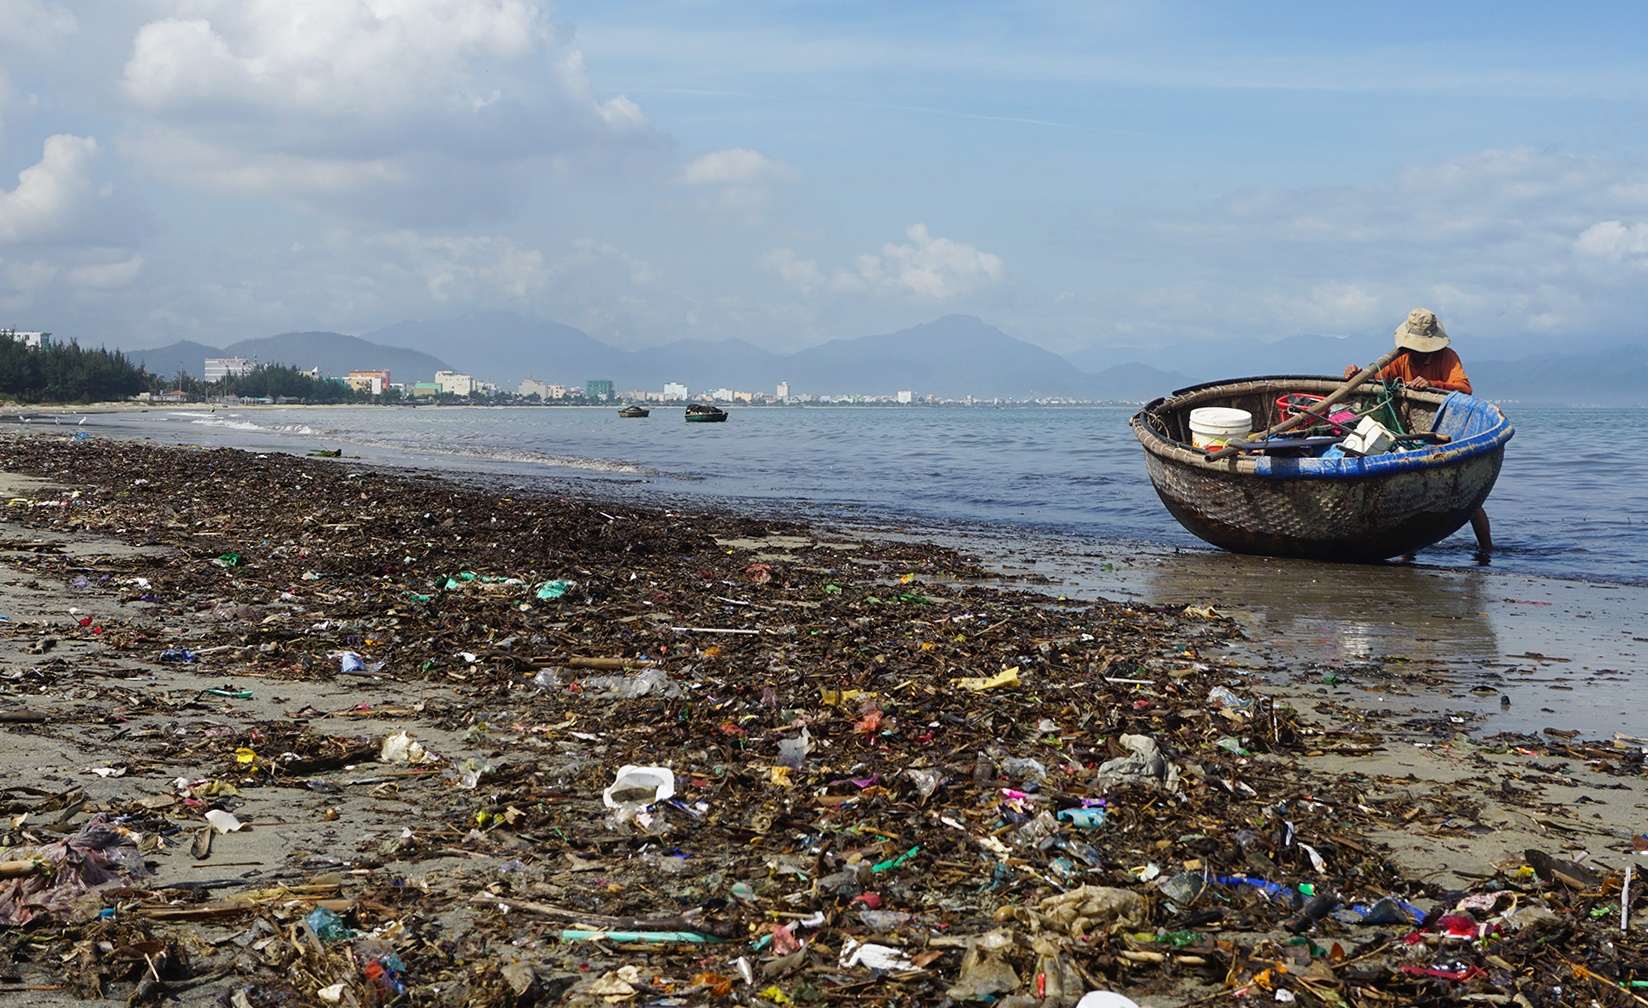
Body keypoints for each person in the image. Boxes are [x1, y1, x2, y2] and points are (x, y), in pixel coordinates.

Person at [1344, 308, 1492, 555]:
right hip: (1406, 434)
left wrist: (1433, 384)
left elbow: (1465, 388)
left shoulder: (1447, 357)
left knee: (1469, 497)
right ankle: (1406, 554)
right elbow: (1376, 381)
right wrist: (1357, 375)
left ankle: (1487, 551)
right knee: (1405, 497)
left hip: (1442, 434)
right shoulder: (1399, 358)